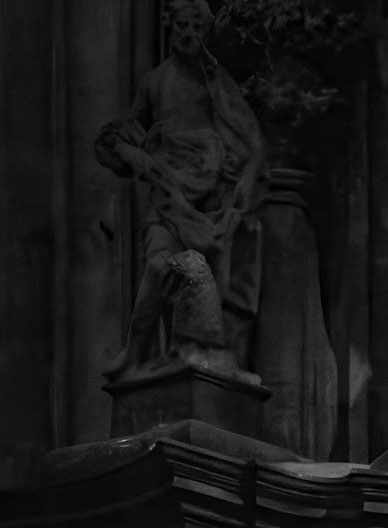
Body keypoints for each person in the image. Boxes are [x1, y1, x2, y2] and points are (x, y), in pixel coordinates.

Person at [94, 0, 265, 377]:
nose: (188, 35)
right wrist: (127, 150)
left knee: (213, 278)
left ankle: (217, 357)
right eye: (182, 27)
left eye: (195, 28)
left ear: (205, 32)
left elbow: (249, 135)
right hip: (168, 188)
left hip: (212, 190)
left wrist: (243, 189)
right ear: (171, 28)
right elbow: (129, 129)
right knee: (158, 264)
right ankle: (134, 353)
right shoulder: (155, 80)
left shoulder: (214, 78)